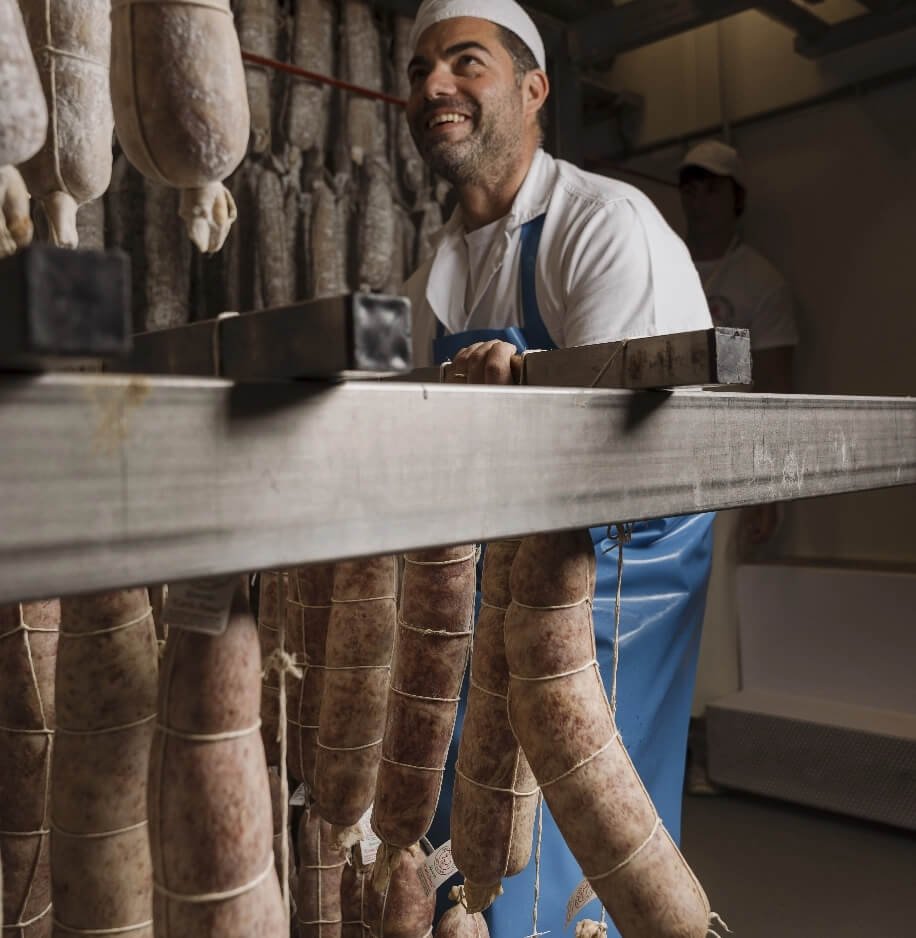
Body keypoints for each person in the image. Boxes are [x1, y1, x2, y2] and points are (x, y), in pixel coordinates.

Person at [403, 1, 715, 933]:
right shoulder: (442, 268)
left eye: (466, 62)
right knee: (481, 825)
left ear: (535, 89)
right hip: (505, 557)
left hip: (619, 571)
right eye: (421, 70)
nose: (434, 87)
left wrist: (527, 390)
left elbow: (631, 444)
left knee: (584, 830)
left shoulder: (604, 223)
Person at [678, 141, 800, 792]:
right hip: (663, 458)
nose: (698, 199)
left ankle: (709, 752)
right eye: (690, 187)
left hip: (729, 464)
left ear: (737, 198)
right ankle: (665, 746)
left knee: (717, 610)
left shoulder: (760, 281)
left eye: (711, 188)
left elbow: (779, 387)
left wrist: (770, 486)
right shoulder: (662, 265)